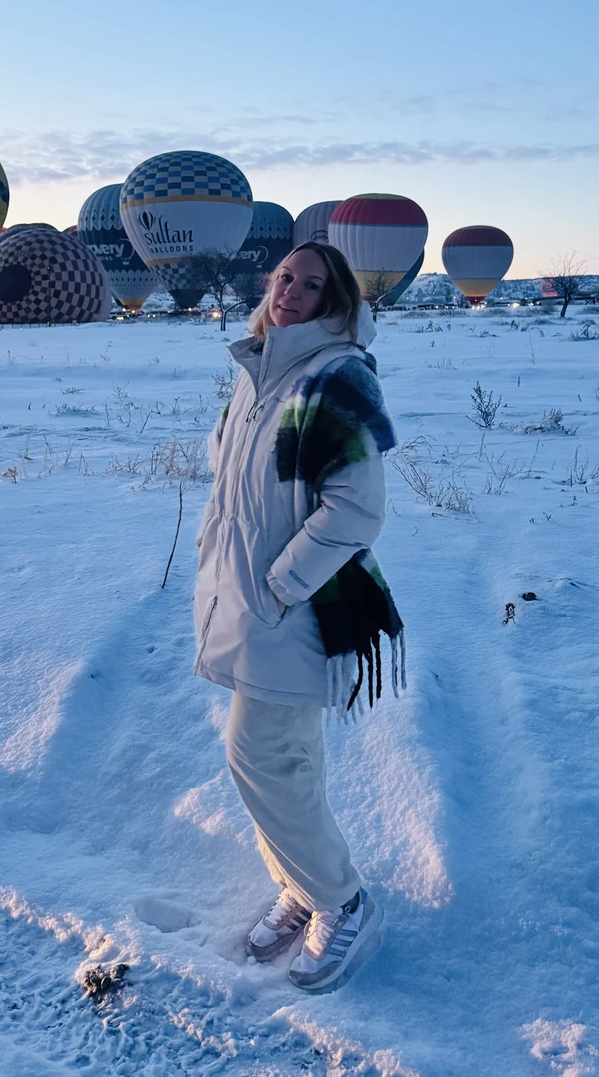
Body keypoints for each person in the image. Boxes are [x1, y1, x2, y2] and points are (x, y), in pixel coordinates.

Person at [193, 242, 404, 993]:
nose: (292, 291)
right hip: (253, 604)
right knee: (291, 765)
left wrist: (281, 586)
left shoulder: (338, 376)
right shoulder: (257, 372)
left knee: (260, 760)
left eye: (311, 285)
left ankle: (343, 900)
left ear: (335, 300)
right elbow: (232, 489)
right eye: (285, 277)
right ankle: (306, 885)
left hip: (302, 610)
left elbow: (358, 508)